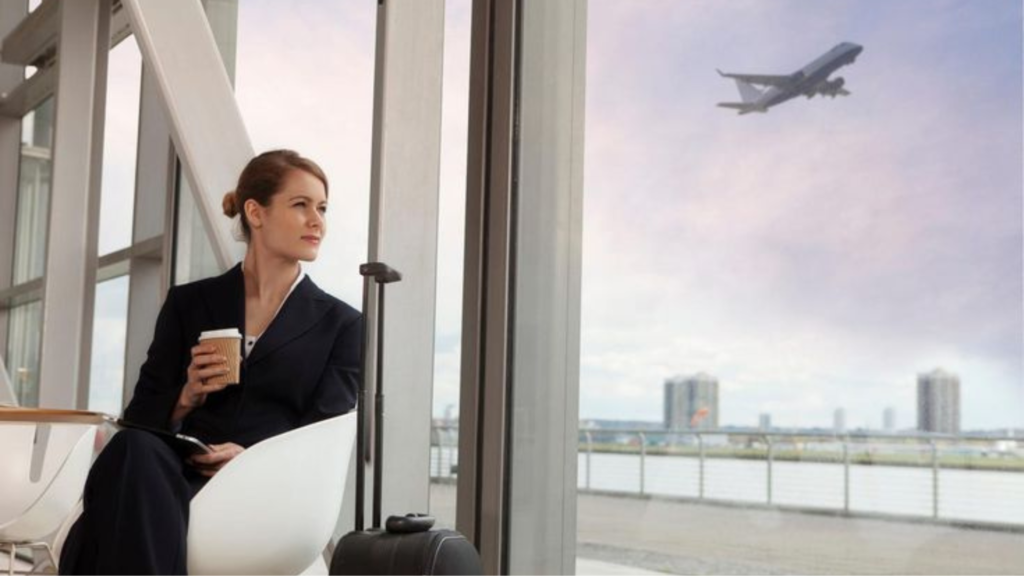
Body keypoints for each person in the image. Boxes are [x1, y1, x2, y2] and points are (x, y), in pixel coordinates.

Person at [59, 150, 362, 575]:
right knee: (133, 448)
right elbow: (140, 416)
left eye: (323, 208)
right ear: (256, 213)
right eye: (301, 205)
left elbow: (319, 435)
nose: (318, 221)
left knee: (118, 497)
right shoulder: (190, 303)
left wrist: (250, 456)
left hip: (265, 485)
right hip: (174, 472)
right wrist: (186, 396)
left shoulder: (342, 324)